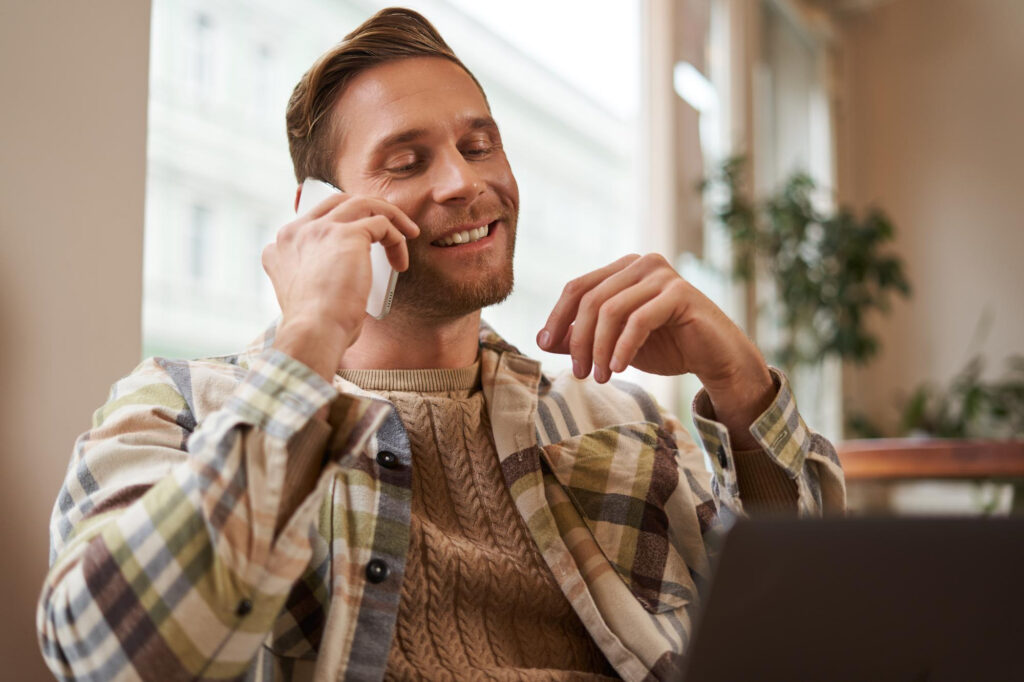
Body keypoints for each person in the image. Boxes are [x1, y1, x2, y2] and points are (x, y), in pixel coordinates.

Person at [37, 7, 845, 681]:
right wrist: (311, 333)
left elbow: (817, 630)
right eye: (407, 159)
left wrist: (739, 382)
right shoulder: (182, 409)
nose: (463, 182)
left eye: (478, 144)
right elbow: (107, 657)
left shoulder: (619, 418)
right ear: (319, 211)